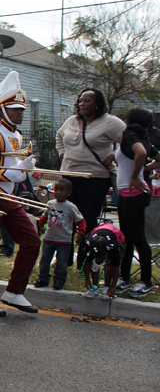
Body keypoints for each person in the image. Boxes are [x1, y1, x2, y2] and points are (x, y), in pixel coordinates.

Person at [0, 71, 41, 315]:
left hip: (9, 198)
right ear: (2, 109)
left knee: (32, 241)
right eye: (14, 108)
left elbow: (12, 167)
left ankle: (14, 292)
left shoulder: (17, 133)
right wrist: (14, 173)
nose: (20, 112)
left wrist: (22, 170)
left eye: (22, 109)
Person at [56, 87, 125, 264]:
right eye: (80, 100)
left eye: (87, 100)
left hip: (94, 177)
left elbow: (128, 141)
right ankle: (64, 259)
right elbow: (59, 136)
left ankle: (86, 259)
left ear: (98, 104)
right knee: (66, 217)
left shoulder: (110, 122)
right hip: (68, 175)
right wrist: (62, 153)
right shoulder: (71, 121)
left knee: (87, 218)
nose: (82, 103)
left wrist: (113, 156)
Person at [113, 107, 160, 297]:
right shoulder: (144, 138)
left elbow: (140, 153)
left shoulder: (131, 136)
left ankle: (146, 282)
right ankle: (124, 278)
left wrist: (135, 176)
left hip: (134, 193)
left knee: (138, 238)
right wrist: (145, 170)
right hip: (127, 193)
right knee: (126, 237)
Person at [34, 178, 86, 290]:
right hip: (49, 239)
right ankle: (43, 279)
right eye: (56, 189)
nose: (58, 192)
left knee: (61, 263)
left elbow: (80, 221)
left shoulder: (71, 207)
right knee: (44, 261)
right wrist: (41, 226)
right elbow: (45, 217)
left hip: (64, 241)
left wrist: (80, 233)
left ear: (69, 193)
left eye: (62, 190)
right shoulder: (50, 203)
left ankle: (59, 280)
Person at [81, 223, 125, 299]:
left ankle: (106, 288)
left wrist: (113, 286)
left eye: (101, 257)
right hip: (98, 232)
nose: (100, 259)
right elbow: (87, 263)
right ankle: (94, 287)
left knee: (110, 265)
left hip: (114, 236)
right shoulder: (90, 246)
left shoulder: (113, 249)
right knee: (94, 264)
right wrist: (87, 280)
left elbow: (116, 268)